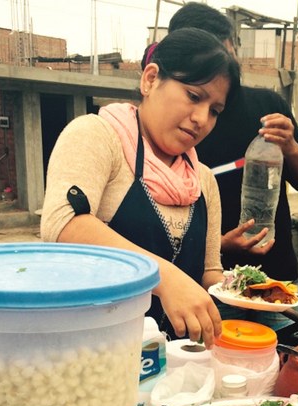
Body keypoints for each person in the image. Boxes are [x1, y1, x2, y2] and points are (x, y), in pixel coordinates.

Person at [40, 29, 241, 348]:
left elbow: (209, 274)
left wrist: (247, 288)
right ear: (150, 79)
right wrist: (165, 277)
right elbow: (62, 224)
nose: (201, 118)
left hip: (177, 364)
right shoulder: (97, 136)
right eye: (193, 96)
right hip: (95, 353)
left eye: (215, 110)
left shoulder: (203, 180)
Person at [167, 2, 298, 329]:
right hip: (211, 285)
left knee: (279, 365)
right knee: (225, 370)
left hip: (274, 279)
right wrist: (219, 244)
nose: (204, 116)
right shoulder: (175, 123)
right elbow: (164, 219)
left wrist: (291, 146)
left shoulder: (266, 105)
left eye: (228, 50)